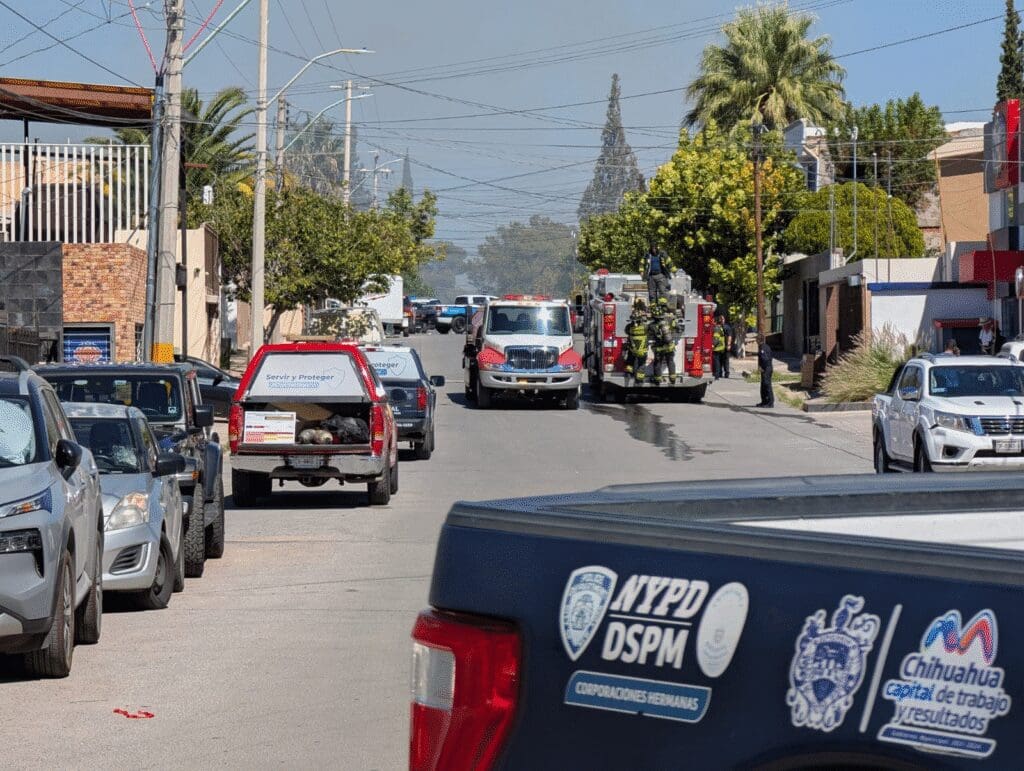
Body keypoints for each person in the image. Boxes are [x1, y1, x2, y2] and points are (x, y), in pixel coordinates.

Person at [649, 297, 678, 385]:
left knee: (658, 363)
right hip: (669, 346)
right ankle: (673, 379)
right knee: (670, 361)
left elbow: (648, 333)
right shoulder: (669, 320)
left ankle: (657, 380)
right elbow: (677, 327)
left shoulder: (651, 325)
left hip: (659, 348)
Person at [624, 299, 649, 384]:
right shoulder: (645, 327)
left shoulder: (629, 327)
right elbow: (649, 332)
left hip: (633, 350)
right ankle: (639, 379)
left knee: (630, 360)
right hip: (642, 351)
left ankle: (628, 373)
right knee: (641, 364)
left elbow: (626, 331)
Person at [756, 334, 774, 408]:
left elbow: (765, 359)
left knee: (767, 385)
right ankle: (764, 401)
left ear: (759, 340)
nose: (756, 341)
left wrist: (762, 367)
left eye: (756, 339)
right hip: (766, 368)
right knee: (763, 386)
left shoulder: (763, 348)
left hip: (766, 368)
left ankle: (770, 402)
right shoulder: (763, 346)